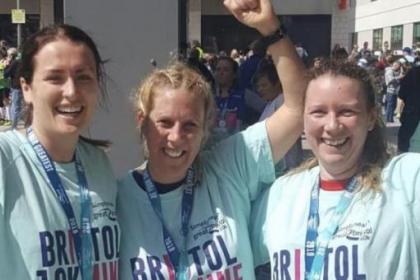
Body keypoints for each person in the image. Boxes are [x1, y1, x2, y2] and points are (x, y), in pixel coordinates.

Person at [117, 0, 307, 278]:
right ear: (142, 123)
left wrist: (271, 30)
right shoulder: (118, 199)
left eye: (190, 125)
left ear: (206, 127)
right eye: (164, 123)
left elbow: (299, 108)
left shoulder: (228, 168)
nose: (176, 137)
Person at [252, 60, 420, 279]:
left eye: (346, 111)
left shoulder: (405, 180)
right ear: (303, 119)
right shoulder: (280, 193)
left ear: (370, 118)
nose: (332, 126)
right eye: (318, 112)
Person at [0, 24, 119, 279]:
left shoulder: (98, 164)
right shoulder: (5, 159)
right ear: (26, 88)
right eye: (55, 78)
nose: (72, 91)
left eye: (83, 76)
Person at [254, 57, 303, 174]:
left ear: (277, 84)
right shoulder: (271, 103)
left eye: (264, 85)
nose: (260, 90)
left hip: (286, 167)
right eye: (258, 86)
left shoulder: (282, 101)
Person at [3, 47, 23, 129]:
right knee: (15, 105)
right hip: (17, 86)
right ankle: (14, 124)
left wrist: (7, 65)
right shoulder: (19, 62)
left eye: (8, 55)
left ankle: (13, 126)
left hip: (16, 86)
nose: (7, 57)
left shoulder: (14, 63)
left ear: (12, 55)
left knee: (15, 106)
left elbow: (6, 74)